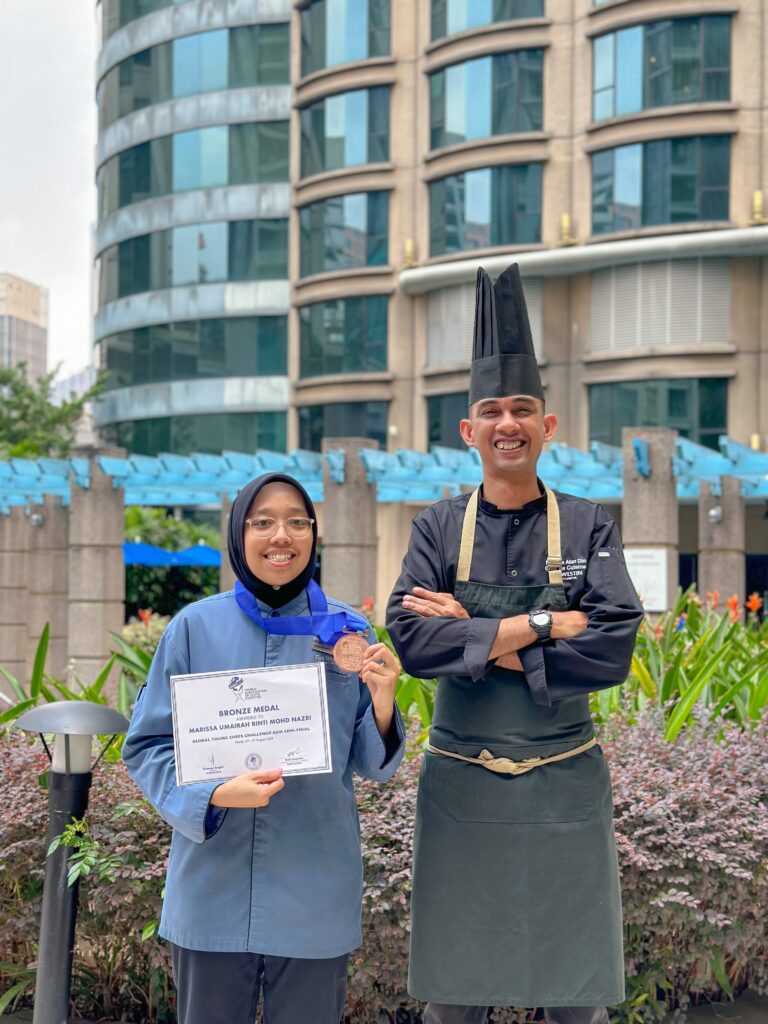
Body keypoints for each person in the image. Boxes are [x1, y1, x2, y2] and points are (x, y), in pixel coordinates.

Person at [386, 265, 644, 1024]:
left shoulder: (590, 524)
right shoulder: (437, 527)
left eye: (523, 409)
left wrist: (472, 631)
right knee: (453, 1004)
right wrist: (537, 624)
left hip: (565, 787)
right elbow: (409, 638)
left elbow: (613, 647)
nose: (508, 423)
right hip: (462, 791)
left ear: (547, 426)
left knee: (578, 1002)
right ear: (469, 430)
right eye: (492, 410)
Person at [123, 472, 405, 1024]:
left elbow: (373, 765)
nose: (283, 535)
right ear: (238, 533)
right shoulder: (192, 629)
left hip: (314, 881)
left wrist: (385, 700)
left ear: (313, 535)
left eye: (298, 522)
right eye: (264, 522)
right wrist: (210, 794)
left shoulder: (345, 631)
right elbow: (148, 746)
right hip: (212, 885)